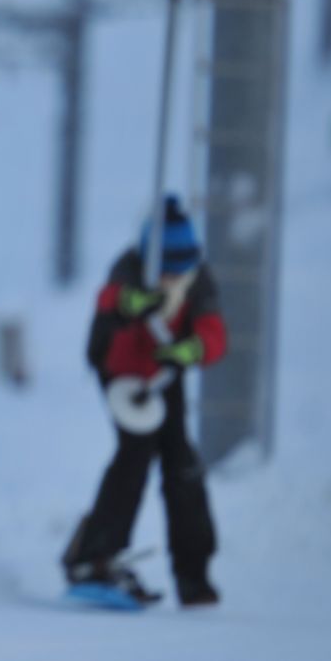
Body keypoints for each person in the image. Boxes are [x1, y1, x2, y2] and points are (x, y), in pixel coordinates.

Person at [63, 196, 228, 608]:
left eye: (181, 265)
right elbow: (110, 305)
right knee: (135, 454)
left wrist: (192, 350)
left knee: (182, 466)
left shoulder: (199, 281)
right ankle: (94, 556)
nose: (174, 276)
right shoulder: (130, 271)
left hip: (165, 371)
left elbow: (214, 332)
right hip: (122, 371)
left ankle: (194, 573)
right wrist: (129, 306)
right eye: (167, 266)